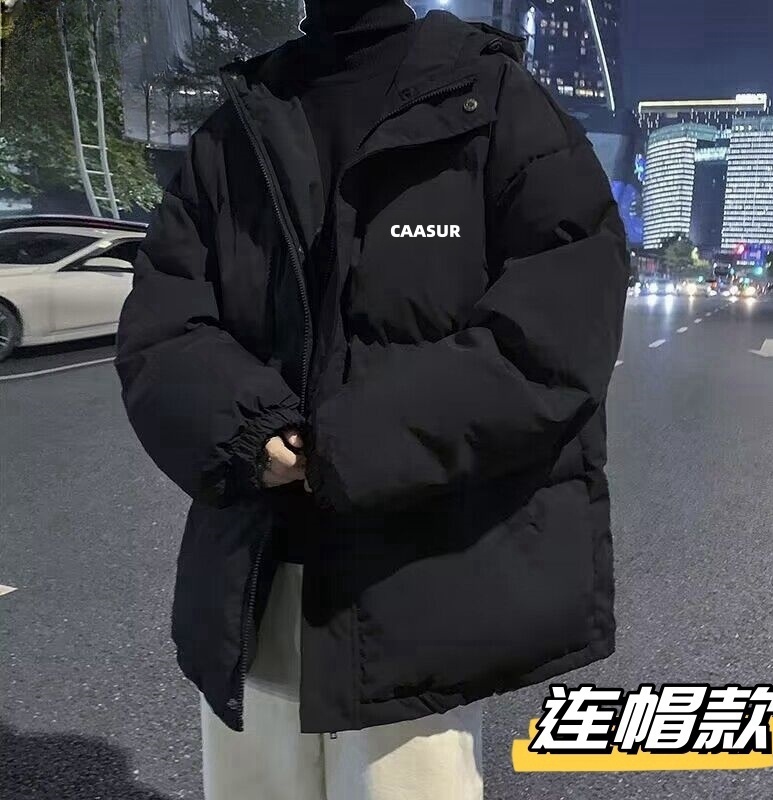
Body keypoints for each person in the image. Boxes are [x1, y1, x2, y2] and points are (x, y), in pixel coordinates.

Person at [114, 1, 629, 797]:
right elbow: (163, 323)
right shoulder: (234, 129)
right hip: (254, 581)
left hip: (423, 588)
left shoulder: (496, 102)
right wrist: (250, 430)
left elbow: (557, 327)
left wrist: (345, 444)